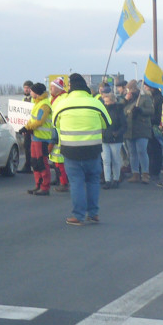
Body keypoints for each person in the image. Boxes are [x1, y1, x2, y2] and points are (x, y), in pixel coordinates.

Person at [52, 74, 110, 225]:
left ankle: (78, 216)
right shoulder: (95, 103)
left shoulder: (62, 104)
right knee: (93, 181)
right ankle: (94, 213)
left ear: (70, 87)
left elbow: (55, 124)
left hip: (71, 150)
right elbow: (107, 123)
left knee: (76, 182)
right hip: (93, 150)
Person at [123, 80, 155, 184]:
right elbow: (121, 111)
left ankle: (145, 174)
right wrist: (125, 101)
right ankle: (135, 173)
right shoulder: (127, 100)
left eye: (131, 89)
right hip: (129, 129)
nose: (129, 92)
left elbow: (151, 111)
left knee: (142, 151)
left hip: (142, 128)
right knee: (132, 153)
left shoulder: (145, 98)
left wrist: (141, 110)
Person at [24, 82, 53, 195]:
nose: (30, 92)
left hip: (42, 138)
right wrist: (26, 128)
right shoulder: (37, 103)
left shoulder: (44, 105)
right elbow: (33, 120)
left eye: (32, 91)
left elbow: (39, 122)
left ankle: (45, 187)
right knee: (35, 162)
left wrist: (26, 128)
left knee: (42, 163)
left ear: (36, 92)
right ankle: (38, 185)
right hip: (35, 137)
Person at [100, 92, 126, 189]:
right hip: (104, 138)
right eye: (104, 101)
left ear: (112, 101)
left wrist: (117, 133)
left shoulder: (119, 110)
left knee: (115, 160)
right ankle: (107, 180)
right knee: (106, 160)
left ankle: (116, 179)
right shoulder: (103, 110)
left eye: (107, 101)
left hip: (115, 139)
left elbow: (124, 125)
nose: (105, 103)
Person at [48, 77, 69, 192]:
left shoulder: (62, 98)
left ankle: (64, 183)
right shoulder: (55, 98)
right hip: (56, 130)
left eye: (52, 87)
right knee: (57, 161)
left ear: (58, 88)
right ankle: (59, 179)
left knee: (60, 161)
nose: (50, 89)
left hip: (59, 132)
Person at [18, 80, 34, 172]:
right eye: (25, 88)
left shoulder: (34, 100)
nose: (26, 90)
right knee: (26, 146)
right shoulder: (23, 100)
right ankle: (28, 165)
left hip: (33, 127)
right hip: (26, 127)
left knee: (33, 148)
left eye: (28, 88)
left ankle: (31, 165)